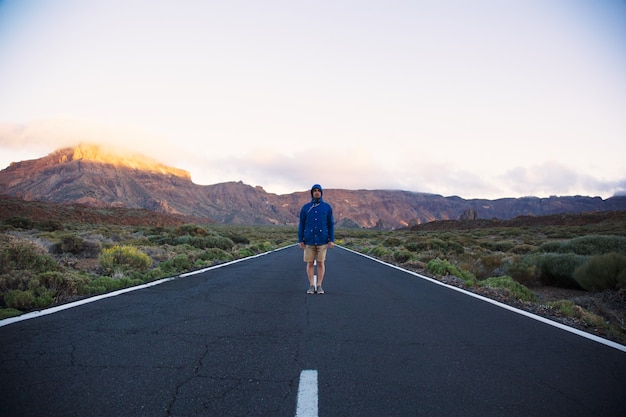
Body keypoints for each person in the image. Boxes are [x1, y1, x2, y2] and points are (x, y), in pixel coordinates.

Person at [298, 184, 335, 294]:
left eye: (319, 191)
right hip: (309, 240)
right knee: (309, 263)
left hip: (322, 240)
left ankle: (319, 285)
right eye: (315, 191)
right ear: (312, 193)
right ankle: (311, 285)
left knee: (320, 263)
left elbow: (330, 224)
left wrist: (331, 239)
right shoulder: (305, 208)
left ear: (321, 192)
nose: (317, 192)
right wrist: (300, 239)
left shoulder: (327, 207)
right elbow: (302, 224)